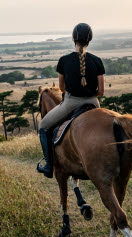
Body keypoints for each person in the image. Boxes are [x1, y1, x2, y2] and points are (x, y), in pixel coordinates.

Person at [37, 22, 105, 178]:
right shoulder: (97, 61)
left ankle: (48, 165)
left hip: (71, 102)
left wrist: (75, 94)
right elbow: (101, 91)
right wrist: (89, 94)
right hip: (94, 103)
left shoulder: (64, 60)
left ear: (73, 39)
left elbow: (61, 88)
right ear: (90, 40)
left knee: (43, 126)